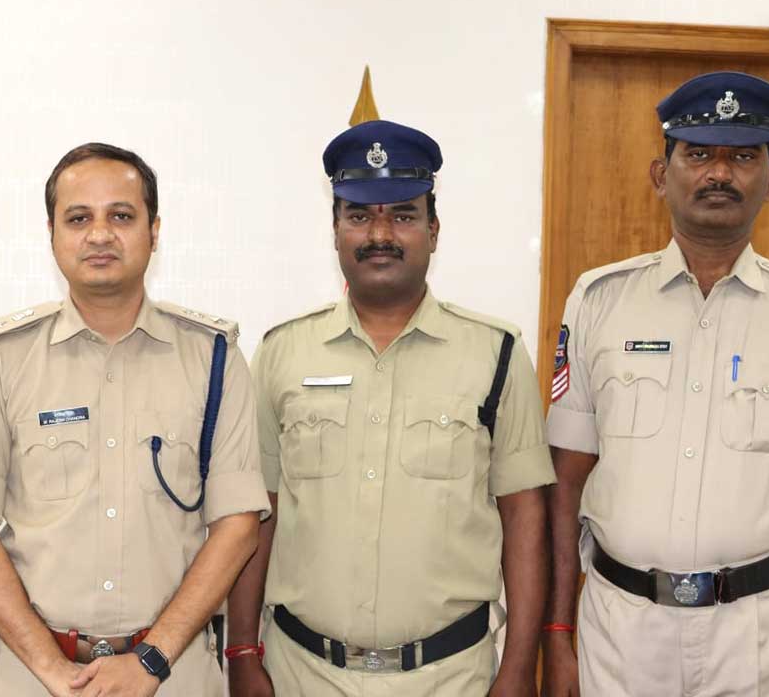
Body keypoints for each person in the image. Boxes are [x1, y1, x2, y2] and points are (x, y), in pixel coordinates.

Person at [541, 72, 769, 697]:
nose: (719, 173)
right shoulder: (597, 301)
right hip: (621, 636)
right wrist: (556, 634)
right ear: (660, 175)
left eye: (743, 157)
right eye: (697, 154)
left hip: (766, 641)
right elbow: (565, 482)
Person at [226, 119, 555, 696]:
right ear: (334, 230)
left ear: (434, 229)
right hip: (302, 674)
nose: (380, 234)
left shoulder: (496, 353)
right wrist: (242, 652)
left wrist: (520, 667)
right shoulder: (281, 352)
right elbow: (257, 514)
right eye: (359, 216)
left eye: (403, 215)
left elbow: (524, 517)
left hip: (451, 678)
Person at [0, 142, 270, 697]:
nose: (99, 234)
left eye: (121, 216)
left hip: (173, 675)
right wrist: (51, 668)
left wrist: (150, 660)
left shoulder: (214, 357)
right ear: (51, 234)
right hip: (32, 677)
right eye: (78, 218)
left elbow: (237, 526)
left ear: (154, 232)